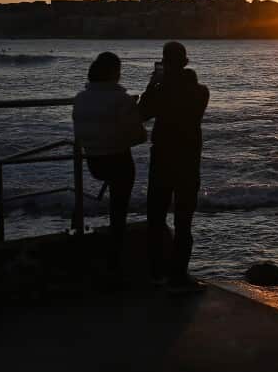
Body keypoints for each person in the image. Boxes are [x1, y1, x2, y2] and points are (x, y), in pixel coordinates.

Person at [138, 41, 210, 294]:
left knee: (156, 217)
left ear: (165, 63)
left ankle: (157, 273)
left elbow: (141, 113)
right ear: (186, 62)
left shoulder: (161, 91)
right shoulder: (201, 91)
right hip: (188, 160)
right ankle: (178, 275)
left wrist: (154, 83)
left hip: (163, 158)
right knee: (183, 220)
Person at [72, 52, 147, 277]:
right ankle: (116, 255)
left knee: (114, 201)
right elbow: (139, 137)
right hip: (118, 161)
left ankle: (109, 250)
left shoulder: (80, 97)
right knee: (118, 208)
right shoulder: (121, 100)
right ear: (115, 73)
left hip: (93, 160)